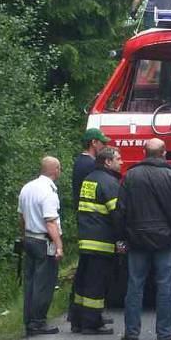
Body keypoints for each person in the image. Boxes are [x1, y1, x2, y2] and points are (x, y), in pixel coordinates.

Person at [115, 138, 171, 340]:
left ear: (143, 152)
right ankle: (165, 331)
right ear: (164, 153)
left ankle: (131, 331)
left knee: (134, 285)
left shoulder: (131, 176)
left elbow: (121, 210)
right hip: (165, 240)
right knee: (165, 285)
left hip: (137, 239)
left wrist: (122, 237)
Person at [70, 147, 123, 335]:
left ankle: (77, 319)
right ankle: (91, 323)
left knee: (82, 282)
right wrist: (122, 239)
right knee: (96, 284)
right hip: (102, 242)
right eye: (118, 158)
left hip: (86, 239)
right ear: (107, 162)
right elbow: (117, 215)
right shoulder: (110, 183)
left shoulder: (89, 179)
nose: (122, 162)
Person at [68, 127, 111, 325]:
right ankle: (91, 318)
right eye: (102, 142)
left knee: (85, 271)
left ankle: (78, 314)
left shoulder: (80, 162)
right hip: (94, 225)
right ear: (94, 142)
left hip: (86, 224)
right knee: (94, 276)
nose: (105, 145)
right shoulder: (89, 166)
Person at [18, 156, 64, 336]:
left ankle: (29, 320)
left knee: (30, 282)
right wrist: (59, 245)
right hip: (43, 241)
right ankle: (38, 322)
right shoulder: (48, 192)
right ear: (55, 170)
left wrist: (23, 237)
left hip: (29, 238)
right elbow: (50, 222)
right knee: (43, 283)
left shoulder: (27, 188)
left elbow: (21, 217)